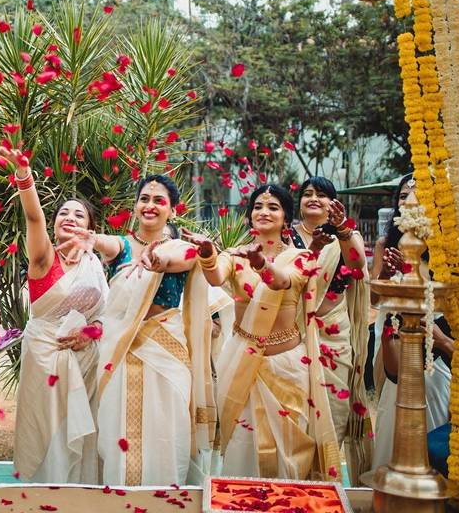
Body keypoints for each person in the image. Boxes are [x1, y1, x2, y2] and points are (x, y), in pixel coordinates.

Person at [62, 174, 215, 486]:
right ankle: (122, 499)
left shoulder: (182, 248)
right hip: (121, 351)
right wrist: (93, 239)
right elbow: (109, 242)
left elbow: (174, 259)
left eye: (159, 201)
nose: (150, 205)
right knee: (121, 432)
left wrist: (155, 258)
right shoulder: (122, 247)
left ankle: (165, 499)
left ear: (171, 210)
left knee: (165, 430)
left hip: (166, 351)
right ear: (135, 206)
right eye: (144, 199)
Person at [190, 185, 342, 481]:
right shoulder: (234, 257)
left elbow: (282, 281)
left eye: (273, 207)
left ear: (286, 219)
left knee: (290, 447)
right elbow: (215, 276)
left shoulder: (301, 256)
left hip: (286, 365)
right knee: (241, 443)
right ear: (249, 217)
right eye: (258, 206)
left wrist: (262, 265)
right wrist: (208, 254)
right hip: (241, 361)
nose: (264, 211)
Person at [0, 147, 108, 484]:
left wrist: (91, 332)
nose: (70, 218)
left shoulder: (95, 265)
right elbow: (34, 218)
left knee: (84, 435)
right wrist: (23, 176)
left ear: (90, 227)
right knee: (47, 433)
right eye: (63, 214)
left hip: (86, 361)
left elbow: (105, 317)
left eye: (79, 215)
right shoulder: (44, 256)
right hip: (45, 357)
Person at [369, 175, 453, 471]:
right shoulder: (386, 244)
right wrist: (386, 277)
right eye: (403, 196)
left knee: (432, 419)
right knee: (394, 408)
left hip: (436, 348)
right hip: (394, 340)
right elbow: (374, 300)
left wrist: (439, 337)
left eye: (418, 196)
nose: (410, 202)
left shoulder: (447, 250)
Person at [290, 177, 372, 480]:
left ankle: (324, 486)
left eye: (322, 195)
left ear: (333, 204)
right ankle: (296, 483)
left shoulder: (346, 237)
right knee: (297, 419)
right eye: (307, 194)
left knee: (333, 417)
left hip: (334, 340)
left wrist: (343, 231)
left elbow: (358, 266)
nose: (313, 198)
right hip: (295, 340)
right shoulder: (289, 237)